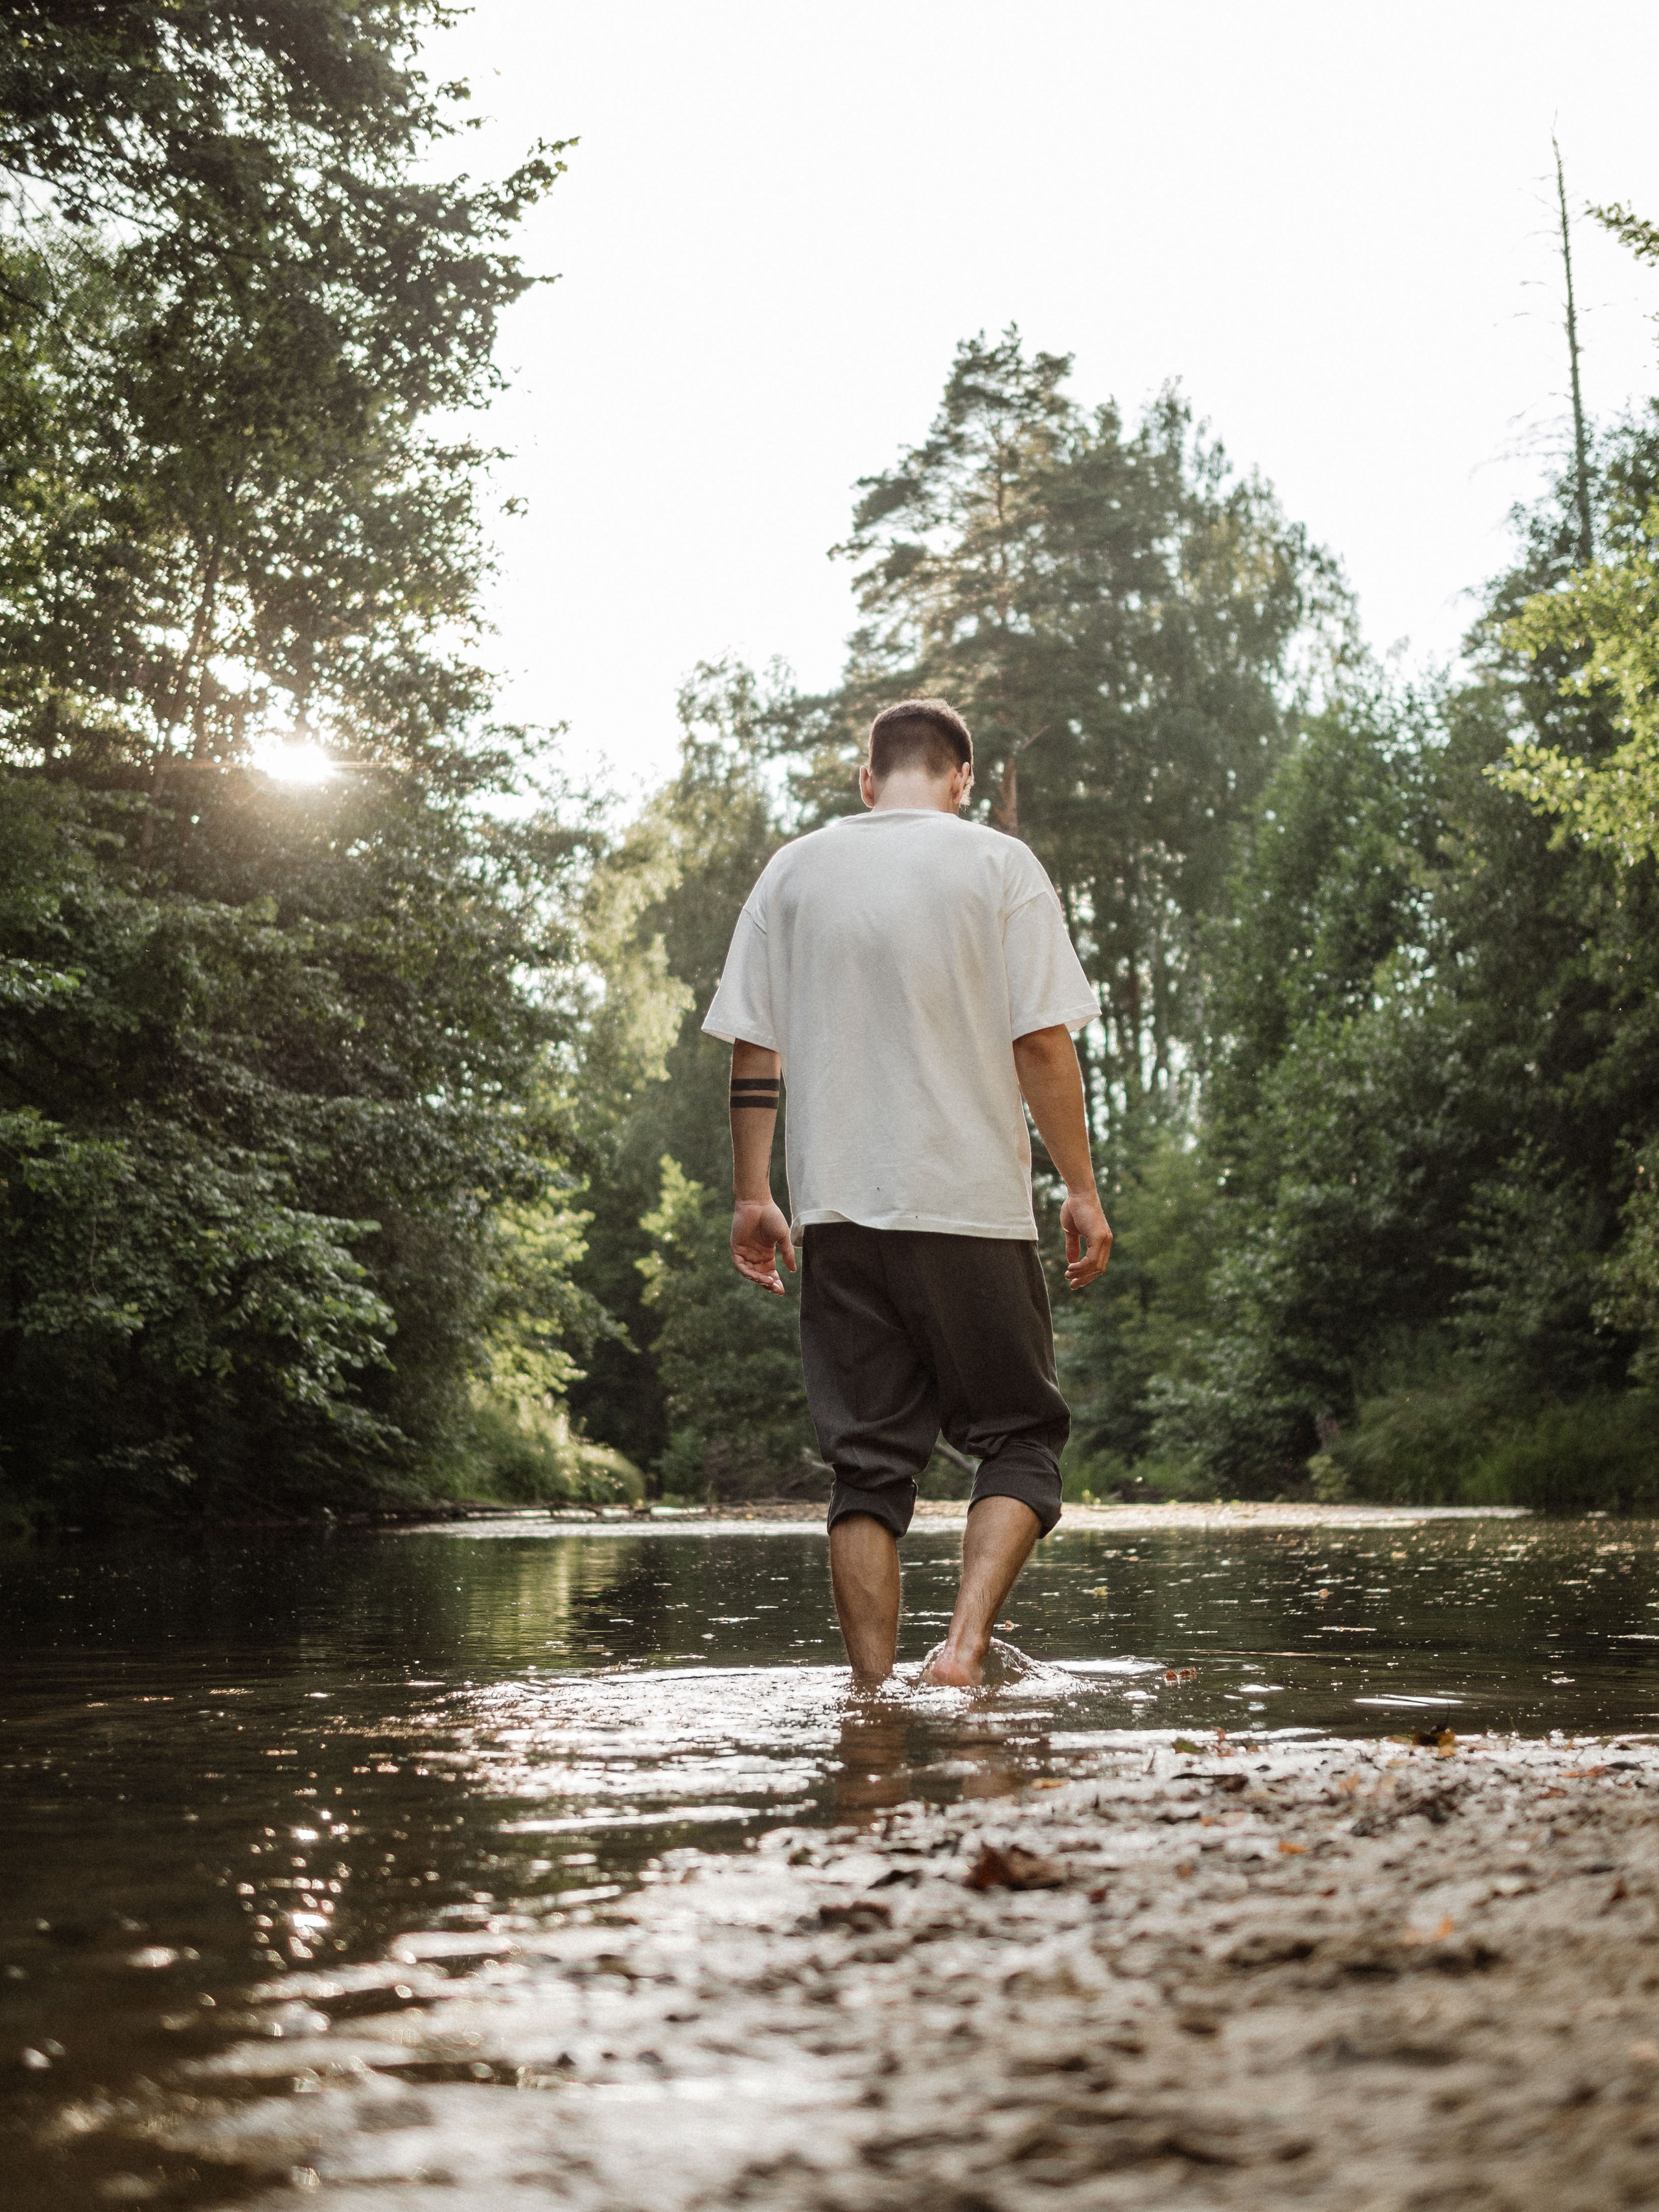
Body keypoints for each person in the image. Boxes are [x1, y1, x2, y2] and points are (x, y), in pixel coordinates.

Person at [701, 698, 1111, 1688]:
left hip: (839, 1214)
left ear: (867, 777)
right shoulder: (997, 864)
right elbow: (1042, 1043)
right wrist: (1081, 1189)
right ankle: (963, 1651)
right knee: (1019, 1438)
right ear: (961, 778)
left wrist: (755, 1192)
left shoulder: (794, 870)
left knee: (868, 1471)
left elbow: (757, 1047)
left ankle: (872, 1704)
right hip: (970, 1205)